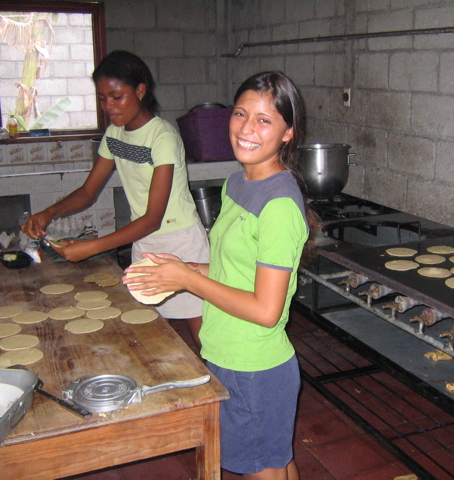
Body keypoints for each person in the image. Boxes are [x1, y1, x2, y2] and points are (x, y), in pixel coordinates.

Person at [123, 71, 316, 480]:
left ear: (288, 133)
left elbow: (266, 309)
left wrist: (189, 281)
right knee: (274, 459)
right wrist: (184, 269)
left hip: (254, 366)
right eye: (241, 114)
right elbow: (236, 273)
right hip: (228, 351)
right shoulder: (237, 184)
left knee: (261, 466)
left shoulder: (279, 205)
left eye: (264, 120)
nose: (247, 129)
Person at [21, 50, 209, 346]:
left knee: (203, 336)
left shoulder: (163, 137)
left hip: (181, 243)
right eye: (102, 98)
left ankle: (224, 389)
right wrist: (48, 213)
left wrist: (93, 247)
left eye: (116, 97)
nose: (108, 106)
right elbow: (87, 192)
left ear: (140, 91)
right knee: (151, 331)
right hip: (146, 244)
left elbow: (153, 218)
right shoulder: (114, 136)